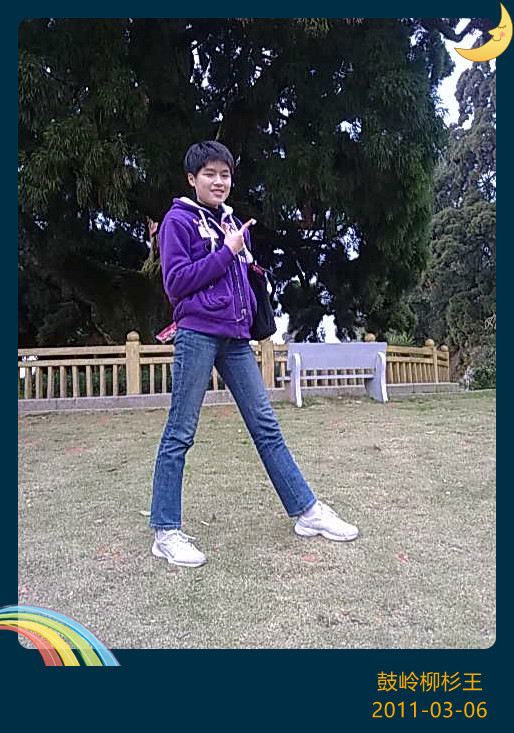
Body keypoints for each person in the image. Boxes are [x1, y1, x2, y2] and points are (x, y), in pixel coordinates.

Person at [149, 140, 359, 568]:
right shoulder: (178, 221)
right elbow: (176, 283)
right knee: (180, 432)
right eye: (209, 174)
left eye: (225, 174)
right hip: (197, 334)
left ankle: (307, 511)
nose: (219, 181)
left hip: (234, 338)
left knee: (266, 426)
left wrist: (244, 263)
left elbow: (238, 280)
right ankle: (165, 531)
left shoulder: (230, 221)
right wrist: (226, 251)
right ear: (192, 179)